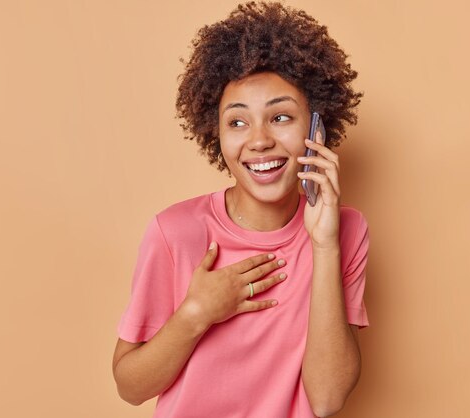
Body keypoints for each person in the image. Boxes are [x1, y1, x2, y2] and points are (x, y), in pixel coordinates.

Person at [112, 2, 369, 417]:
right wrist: (196, 313)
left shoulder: (346, 230)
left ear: (317, 127)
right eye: (237, 122)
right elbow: (130, 387)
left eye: (281, 117)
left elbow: (326, 400)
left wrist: (325, 245)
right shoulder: (174, 232)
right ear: (214, 133)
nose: (259, 140)